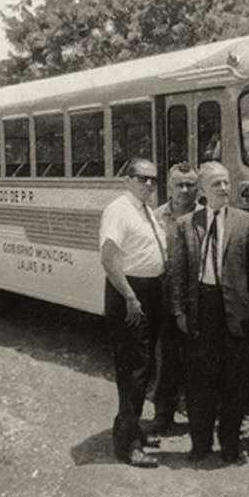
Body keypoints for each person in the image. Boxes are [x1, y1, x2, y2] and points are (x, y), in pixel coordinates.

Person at [171, 161, 249, 463]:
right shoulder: (187, 223)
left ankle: (229, 445)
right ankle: (200, 444)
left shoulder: (246, 222)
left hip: (235, 311)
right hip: (202, 309)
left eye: (226, 183)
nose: (225, 188)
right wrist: (179, 311)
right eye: (217, 184)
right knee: (200, 382)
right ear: (202, 190)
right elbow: (178, 273)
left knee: (234, 383)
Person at [99, 157, 167, 468]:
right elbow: (109, 258)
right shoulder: (118, 210)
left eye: (153, 179)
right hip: (130, 295)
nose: (150, 184)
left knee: (144, 366)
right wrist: (130, 297)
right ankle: (128, 446)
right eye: (143, 179)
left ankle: (130, 427)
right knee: (134, 372)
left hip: (148, 292)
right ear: (128, 180)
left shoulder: (144, 210)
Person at [151, 162, 199, 433]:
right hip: (166, 300)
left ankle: (199, 416)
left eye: (190, 184)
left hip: (200, 300)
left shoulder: (207, 216)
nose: (184, 190)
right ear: (168, 187)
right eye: (178, 185)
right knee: (165, 359)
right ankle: (163, 414)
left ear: (198, 187)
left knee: (199, 362)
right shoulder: (156, 217)